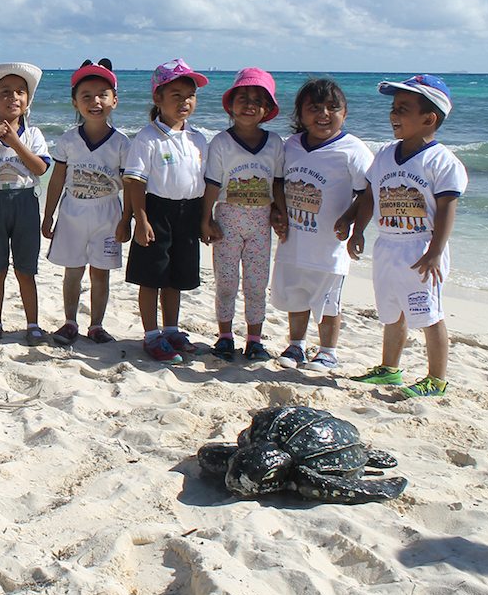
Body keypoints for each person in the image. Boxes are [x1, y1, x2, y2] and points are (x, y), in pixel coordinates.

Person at [347, 75, 467, 398]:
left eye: (403, 109)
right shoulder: (385, 154)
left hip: (420, 247)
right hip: (387, 244)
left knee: (429, 315)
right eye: (393, 108)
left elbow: (445, 209)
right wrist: (356, 227)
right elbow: (370, 195)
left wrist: (435, 251)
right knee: (392, 311)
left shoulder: (442, 162)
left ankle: (437, 379)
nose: (393, 116)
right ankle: (389, 369)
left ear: (429, 119)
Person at [270, 77, 373, 372]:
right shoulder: (291, 146)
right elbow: (277, 182)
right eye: (314, 108)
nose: (323, 114)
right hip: (294, 241)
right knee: (297, 295)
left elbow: (369, 192)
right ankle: (297, 345)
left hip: (329, 246)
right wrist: (277, 210)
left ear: (345, 113)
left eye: (332, 107)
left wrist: (353, 223)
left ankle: (328, 350)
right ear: (300, 115)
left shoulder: (352, 150)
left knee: (328, 302)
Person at [122, 59, 211, 364]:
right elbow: (134, 181)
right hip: (157, 212)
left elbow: (203, 181)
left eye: (190, 95)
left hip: (188, 213)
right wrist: (141, 219)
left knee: (177, 277)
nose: (184, 102)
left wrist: (204, 218)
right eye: (176, 95)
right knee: (152, 278)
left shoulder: (197, 138)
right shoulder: (148, 138)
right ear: (158, 98)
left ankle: (171, 329)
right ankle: (151, 335)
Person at [41, 59, 130, 346]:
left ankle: (96, 325)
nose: (95, 101)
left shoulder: (122, 143)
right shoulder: (68, 140)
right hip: (72, 212)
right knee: (73, 271)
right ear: (75, 102)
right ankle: (69, 322)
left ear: (114, 100)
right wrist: (48, 214)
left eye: (102, 94)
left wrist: (128, 219)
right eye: (86, 96)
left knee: (100, 273)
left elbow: (130, 184)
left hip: (107, 213)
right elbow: (57, 179)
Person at [200, 68, 285, 363]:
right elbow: (211, 184)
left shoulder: (274, 143)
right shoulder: (221, 143)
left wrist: (280, 212)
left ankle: (254, 340)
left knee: (256, 283)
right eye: (243, 98)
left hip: (260, 222)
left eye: (257, 100)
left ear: (267, 109)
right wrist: (205, 218)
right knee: (226, 281)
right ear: (230, 105)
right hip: (227, 220)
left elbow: (277, 182)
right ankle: (224, 336)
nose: (249, 105)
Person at [0, 61, 50, 346]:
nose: (13, 97)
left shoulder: (33, 134)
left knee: (25, 268)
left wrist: (16, 143)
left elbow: (40, 168)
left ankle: (33, 324)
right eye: (5, 91)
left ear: (27, 100)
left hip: (25, 201)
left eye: (19, 92)